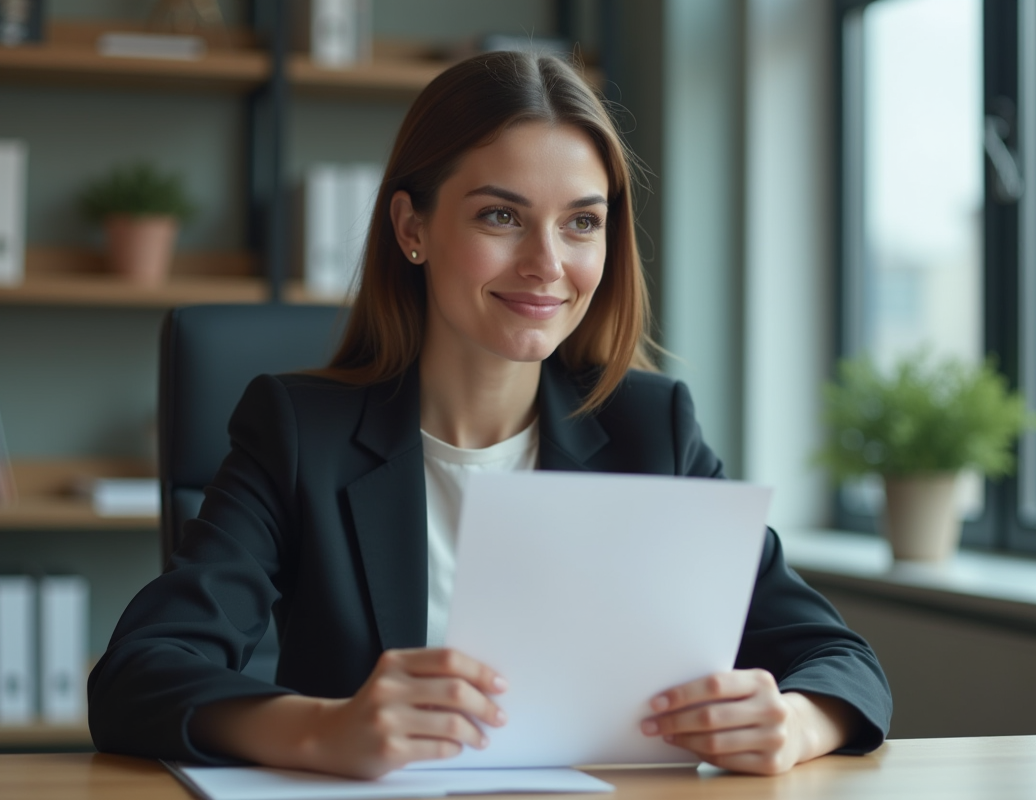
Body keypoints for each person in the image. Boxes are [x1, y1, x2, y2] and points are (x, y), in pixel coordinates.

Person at [88, 50, 891, 780]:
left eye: (582, 221)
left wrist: (793, 722)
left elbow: (837, 658)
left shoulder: (654, 431)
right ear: (412, 228)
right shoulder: (301, 433)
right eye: (501, 216)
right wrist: (323, 730)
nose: (548, 264)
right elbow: (138, 673)